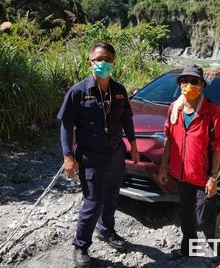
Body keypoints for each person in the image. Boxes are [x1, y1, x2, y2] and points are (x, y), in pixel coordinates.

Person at [57, 42, 139, 268]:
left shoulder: (119, 91)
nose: (103, 63)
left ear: (114, 63)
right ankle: (81, 245)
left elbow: (127, 120)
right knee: (92, 202)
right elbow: (66, 126)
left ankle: (107, 230)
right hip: (91, 157)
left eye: (107, 59)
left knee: (112, 196)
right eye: (98, 59)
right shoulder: (77, 92)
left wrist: (133, 144)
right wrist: (68, 156)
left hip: (116, 153)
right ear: (90, 62)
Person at [158, 64, 220, 267]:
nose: (188, 85)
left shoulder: (212, 111)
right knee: (186, 214)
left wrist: (213, 177)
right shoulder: (174, 108)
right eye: (184, 81)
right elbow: (169, 140)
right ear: (180, 85)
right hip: (181, 175)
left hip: (202, 175)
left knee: (206, 218)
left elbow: (218, 146)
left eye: (194, 81)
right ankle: (187, 248)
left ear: (202, 86)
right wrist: (163, 167)